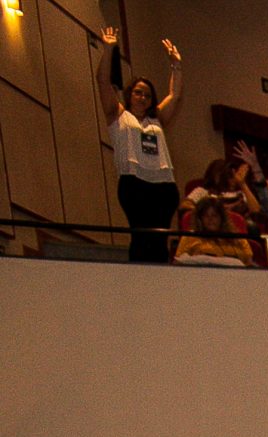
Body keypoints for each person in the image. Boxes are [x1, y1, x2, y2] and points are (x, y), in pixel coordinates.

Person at [97, 29, 183, 263]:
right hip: (134, 183)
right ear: (129, 94)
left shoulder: (157, 119)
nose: (143, 97)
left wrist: (175, 66)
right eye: (138, 92)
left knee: (160, 238)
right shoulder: (118, 114)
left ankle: (161, 283)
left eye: (147, 95)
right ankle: (140, 280)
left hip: (163, 185)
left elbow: (174, 95)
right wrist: (108, 50)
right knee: (141, 236)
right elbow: (103, 82)